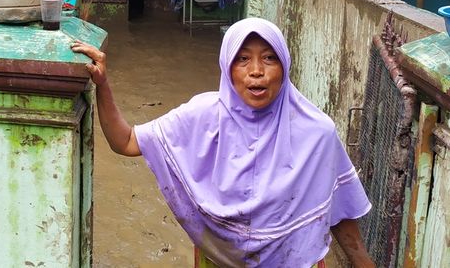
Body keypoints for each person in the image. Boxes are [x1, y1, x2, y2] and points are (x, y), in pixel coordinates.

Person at [71, 17, 374, 268]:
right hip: (218, 262)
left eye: (269, 58)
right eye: (243, 59)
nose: (256, 70)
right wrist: (103, 85)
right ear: (227, 67)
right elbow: (124, 141)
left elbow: (338, 212)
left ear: (284, 65)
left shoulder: (316, 132)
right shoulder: (202, 116)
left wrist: (362, 261)